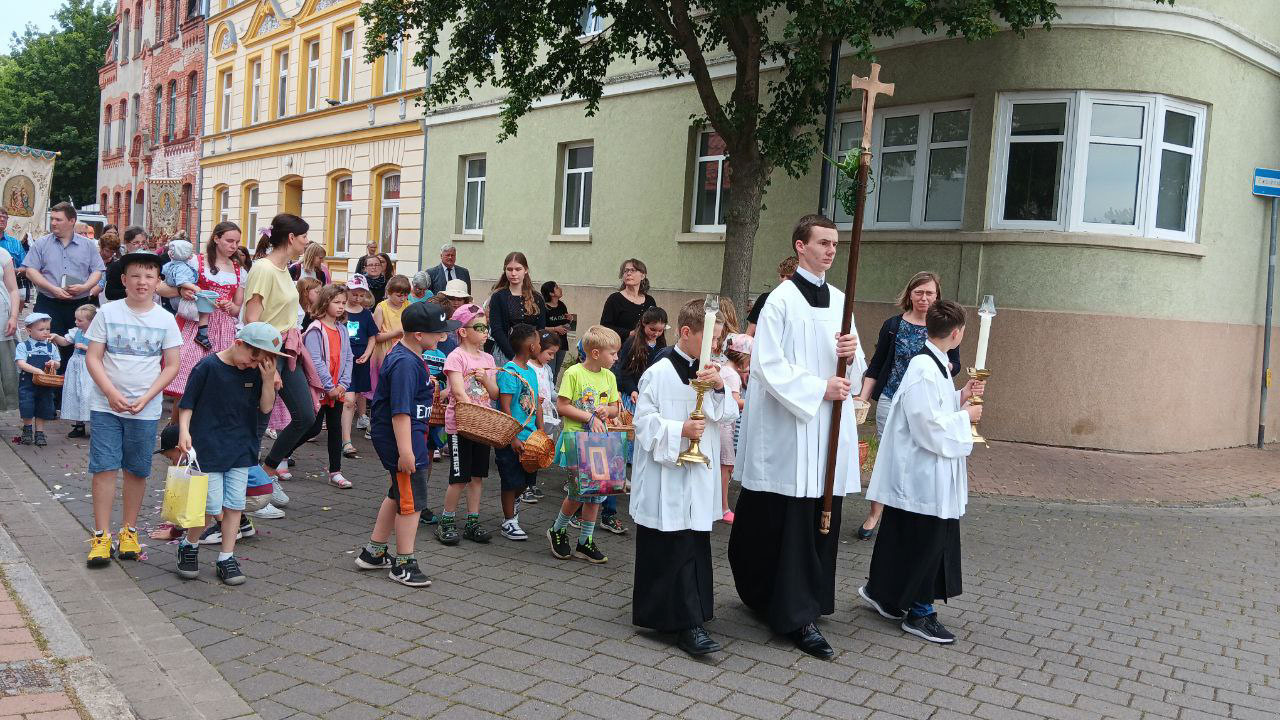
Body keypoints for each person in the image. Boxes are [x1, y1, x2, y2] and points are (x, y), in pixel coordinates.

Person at [728, 214, 865, 660]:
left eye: (835, 244)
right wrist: (819, 388)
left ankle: (810, 600)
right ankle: (792, 612)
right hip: (792, 429)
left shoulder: (841, 300)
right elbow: (767, 365)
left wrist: (851, 356)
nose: (831, 250)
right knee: (789, 522)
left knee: (821, 517)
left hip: (828, 429)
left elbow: (858, 369)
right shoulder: (780, 301)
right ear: (800, 246)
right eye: (823, 242)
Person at [860, 300, 984, 644]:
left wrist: (960, 395)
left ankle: (883, 593)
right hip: (922, 474)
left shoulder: (934, 362)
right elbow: (928, 425)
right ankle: (920, 612)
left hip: (922, 473)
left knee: (904, 535)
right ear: (957, 334)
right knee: (927, 543)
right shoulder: (925, 368)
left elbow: (934, 407)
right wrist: (966, 418)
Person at [630, 299, 736, 657]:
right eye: (711, 338)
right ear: (687, 332)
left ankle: (696, 613)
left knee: (693, 543)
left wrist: (719, 388)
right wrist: (680, 430)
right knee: (671, 545)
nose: (716, 346)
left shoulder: (709, 371)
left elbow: (726, 415)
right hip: (667, 475)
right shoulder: (659, 372)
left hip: (698, 473)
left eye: (719, 339)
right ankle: (680, 622)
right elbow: (643, 423)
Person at [84, 251, 183, 567]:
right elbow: (93, 357)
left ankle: (129, 531)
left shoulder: (165, 319)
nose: (142, 282)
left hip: (145, 408)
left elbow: (172, 365)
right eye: (136, 276)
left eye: (149, 276)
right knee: (104, 467)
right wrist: (110, 393)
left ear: (158, 282)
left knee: (137, 469)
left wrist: (149, 397)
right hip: (106, 406)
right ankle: (101, 535)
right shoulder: (107, 313)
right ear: (124, 281)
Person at [355, 301, 456, 587]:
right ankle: (404, 563)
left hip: (409, 439)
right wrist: (407, 452)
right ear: (419, 335)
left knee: (398, 494)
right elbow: (400, 412)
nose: (443, 336)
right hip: (404, 441)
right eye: (438, 332)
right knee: (411, 503)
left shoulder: (411, 356)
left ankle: (374, 552)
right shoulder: (404, 363)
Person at [855, 271, 961, 539]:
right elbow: (877, 365)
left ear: (937, 296)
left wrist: (943, 366)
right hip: (892, 398)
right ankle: (875, 513)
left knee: (920, 456)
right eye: (919, 292)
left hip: (926, 401)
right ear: (910, 295)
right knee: (889, 456)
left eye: (930, 293)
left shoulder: (943, 326)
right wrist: (862, 398)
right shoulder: (893, 325)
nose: (924, 298)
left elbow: (955, 363)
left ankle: (910, 510)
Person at [175, 323, 281, 586]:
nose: (251, 364)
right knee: (209, 505)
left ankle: (226, 557)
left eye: (258, 361)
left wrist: (268, 380)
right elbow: (187, 403)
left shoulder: (256, 371)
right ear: (238, 343)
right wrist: (184, 431)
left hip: (241, 447)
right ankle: (189, 544)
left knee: (234, 504)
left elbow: (265, 407)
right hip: (209, 447)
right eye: (251, 358)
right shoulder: (207, 367)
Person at [244, 214, 316, 485]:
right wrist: (269, 366)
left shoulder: (285, 269)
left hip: (287, 350)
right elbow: (252, 320)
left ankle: (266, 474)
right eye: (304, 236)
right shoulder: (263, 269)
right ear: (291, 238)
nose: (307, 242)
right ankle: (250, 488)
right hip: (267, 354)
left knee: (306, 417)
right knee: (259, 422)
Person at [546, 325, 622, 564]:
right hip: (577, 441)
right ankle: (557, 529)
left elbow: (615, 408)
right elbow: (563, 406)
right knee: (578, 492)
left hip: (600, 443)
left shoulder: (609, 377)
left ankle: (585, 541)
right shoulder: (574, 373)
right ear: (596, 353)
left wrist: (607, 411)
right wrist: (589, 417)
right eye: (613, 353)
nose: (616, 358)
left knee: (597, 494)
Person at [438, 303, 499, 545]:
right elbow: (458, 391)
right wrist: (473, 410)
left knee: (477, 476)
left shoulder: (488, 358)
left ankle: (472, 521)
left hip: (481, 427)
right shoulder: (456, 357)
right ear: (463, 331)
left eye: (486, 327)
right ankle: (446, 520)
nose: (485, 332)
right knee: (459, 477)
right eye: (479, 327)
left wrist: (486, 380)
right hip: (460, 426)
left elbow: (494, 394)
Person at [21, 203, 106, 369]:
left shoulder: (87, 245)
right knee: (45, 345)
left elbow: (98, 270)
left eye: (58, 219)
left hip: (79, 306)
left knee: (78, 345)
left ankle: (73, 380)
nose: (53, 223)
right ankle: (47, 382)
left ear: (72, 221)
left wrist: (85, 287)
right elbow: (30, 271)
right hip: (48, 302)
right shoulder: (41, 243)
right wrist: (52, 288)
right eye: (52, 219)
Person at [289, 284, 353, 488]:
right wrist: (329, 386)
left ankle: (336, 471)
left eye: (344, 303)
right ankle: (282, 454)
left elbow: (348, 357)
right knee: (312, 427)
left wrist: (343, 384)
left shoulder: (342, 329)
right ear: (325, 302)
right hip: (320, 390)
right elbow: (315, 361)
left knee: (335, 428)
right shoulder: (315, 329)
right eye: (337, 302)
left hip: (337, 389)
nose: (341, 306)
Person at [494, 323, 542, 541]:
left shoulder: (531, 372)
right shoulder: (509, 372)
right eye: (538, 342)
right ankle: (508, 521)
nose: (540, 346)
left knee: (525, 481)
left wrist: (541, 433)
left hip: (530, 439)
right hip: (511, 438)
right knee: (510, 480)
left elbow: (536, 404)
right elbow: (505, 407)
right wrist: (512, 436)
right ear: (531, 347)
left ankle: (513, 509)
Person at [341, 274, 378, 457]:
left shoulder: (366, 314)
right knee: (348, 401)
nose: (357, 298)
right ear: (347, 291)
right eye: (354, 294)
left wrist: (368, 353)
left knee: (353, 399)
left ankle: (343, 435)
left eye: (361, 295)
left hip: (360, 360)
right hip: (344, 360)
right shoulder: (341, 311)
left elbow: (372, 336)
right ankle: (346, 441)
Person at [487, 252, 546, 366]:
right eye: (509, 269)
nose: (513, 273)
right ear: (505, 270)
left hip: (531, 355)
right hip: (505, 354)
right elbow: (497, 330)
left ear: (526, 270)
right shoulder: (498, 296)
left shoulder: (537, 298)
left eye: (518, 269)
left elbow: (541, 329)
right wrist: (514, 357)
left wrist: (534, 354)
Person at [525, 330, 562, 506]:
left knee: (539, 450)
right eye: (549, 353)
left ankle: (532, 484)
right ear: (537, 348)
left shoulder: (546, 369)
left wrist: (563, 398)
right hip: (530, 415)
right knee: (528, 449)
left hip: (545, 415)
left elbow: (551, 391)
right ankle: (524, 486)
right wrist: (533, 399)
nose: (552, 358)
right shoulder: (527, 367)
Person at [719, 333, 752, 523]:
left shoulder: (725, 370)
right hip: (725, 426)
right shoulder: (732, 375)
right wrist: (752, 402)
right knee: (726, 465)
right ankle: (723, 508)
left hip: (722, 424)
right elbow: (733, 402)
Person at [14, 313, 60, 446]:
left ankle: (40, 432)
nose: (45, 332)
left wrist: (53, 363)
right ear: (29, 331)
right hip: (28, 383)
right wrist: (37, 371)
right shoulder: (23, 346)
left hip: (45, 384)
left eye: (48, 329)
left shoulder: (51, 347)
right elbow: (21, 363)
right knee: (26, 405)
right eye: (41, 329)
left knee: (44, 406)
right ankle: (27, 429)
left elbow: (58, 363)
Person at [614, 307, 668, 413]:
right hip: (634, 394)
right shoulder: (631, 343)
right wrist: (632, 390)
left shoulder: (661, 345)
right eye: (652, 329)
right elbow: (623, 371)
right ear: (644, 323)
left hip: (653, 394)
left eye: (660, 330)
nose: (656, 334)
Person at [57, 304, 97, 438]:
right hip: (75, 366)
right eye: (76, 319)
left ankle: (95, 424)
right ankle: (79, 425)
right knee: (75, 393)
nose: (76, 322)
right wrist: (55, 337)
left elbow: (101, 350)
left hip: (89, 366)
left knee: (88, 394)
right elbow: (64, 341)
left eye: (80, 320)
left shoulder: (97, 333)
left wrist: (85, 347)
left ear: (91, 321)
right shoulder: (77, 332)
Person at [600, 258, 662, 345]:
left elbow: (656, 325)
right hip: (619, 348)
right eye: (626, 271)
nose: (628, 273)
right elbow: (605, 327)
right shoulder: (615, 299)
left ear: (642, 276)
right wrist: (629, 333)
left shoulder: (649, 300)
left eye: (633, 270)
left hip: (644, 348)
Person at [370, 274, 410, 392]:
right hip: (385, 352)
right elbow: (376, 337)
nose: (403, 299)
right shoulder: (381, 308)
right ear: (389, 292)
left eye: (405, 295)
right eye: (399, 295)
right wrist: (395, 333)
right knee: (384, 386)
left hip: (403, 351)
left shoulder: (408, 306)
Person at [745, 256, 799, 337]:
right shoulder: (765, 298)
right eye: (782, 275)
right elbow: (749, 334)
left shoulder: (805, 302)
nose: (784, 280)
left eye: (789, 278)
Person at [0, 240, 22, 414]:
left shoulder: (3, 254)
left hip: (1, 319)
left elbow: (13, 290)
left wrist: (14, 317)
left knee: (5, 370)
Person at [540, 281, 573, 376]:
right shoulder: (544, 307)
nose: (560, 289)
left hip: (562, 343)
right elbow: (540, 328)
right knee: (549, 371)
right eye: (557, 287)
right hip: (548, 344)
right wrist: (555, 329)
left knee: (556, 373)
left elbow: (569, 326)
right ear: (551, 293)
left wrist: (571, 320)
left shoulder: (562, 305)